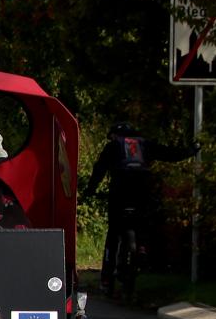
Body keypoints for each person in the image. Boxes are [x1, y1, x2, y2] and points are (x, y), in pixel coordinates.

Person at [84, 122, 197, 293]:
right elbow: (169, 154)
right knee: (143, 220)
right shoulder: (145, 144)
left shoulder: (113, 146)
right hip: (141, 189)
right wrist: (191, 150)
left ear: (116, 135)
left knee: (113, 233)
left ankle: (106, 279)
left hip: (120, 190)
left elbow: (99, 170)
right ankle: (142, 247)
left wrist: (90, 191)